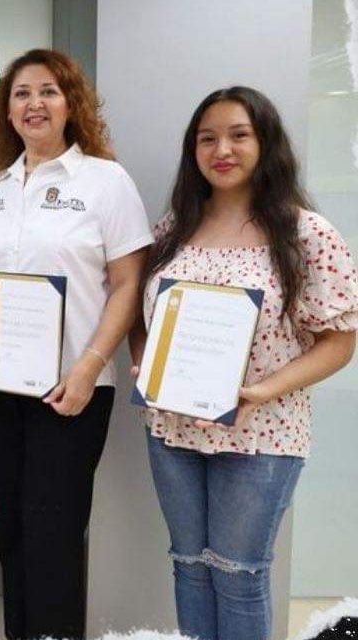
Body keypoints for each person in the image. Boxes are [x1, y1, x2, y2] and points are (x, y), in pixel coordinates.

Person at [130, 86, 358, 640]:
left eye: (238, 135)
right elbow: (141, 321)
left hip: (263, 434)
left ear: (266, 143)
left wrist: (260, 390)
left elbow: (340, 339)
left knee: (239, 574)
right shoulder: (171, 230)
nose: (221, 149)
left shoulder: (306, 233)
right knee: (189, 567)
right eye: (207, 138)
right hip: (173, 429)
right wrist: (146, 368)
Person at [0, 48, 152, 639]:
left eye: (47, 91)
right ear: (7, 111)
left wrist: (91, 367)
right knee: (12, 528)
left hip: (72, 391)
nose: (34, 104)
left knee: (55, 533)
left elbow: (127, 283)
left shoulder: (104, 181)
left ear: (71, 104)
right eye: (21, 94)